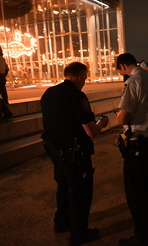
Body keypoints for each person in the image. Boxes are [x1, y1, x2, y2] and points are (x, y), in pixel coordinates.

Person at [40, 62, 109, 246]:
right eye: (85, 77)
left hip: (56, 151)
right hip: (75, 154)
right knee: (80, 193)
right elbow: (91, 131)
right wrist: (102, 124)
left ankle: (61, 222)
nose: (85, 81)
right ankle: (78, 233)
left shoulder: (49, 93)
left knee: (63, 188)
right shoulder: (76, 96)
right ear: (79, 76)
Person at [116, 53, 148, 246]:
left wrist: (119, 116)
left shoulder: (133, 81)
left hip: (138, 143)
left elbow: (123, 117)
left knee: (136, 192)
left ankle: (142, 237)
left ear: (122, 66)